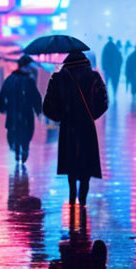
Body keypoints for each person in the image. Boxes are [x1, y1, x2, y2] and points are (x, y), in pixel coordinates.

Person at [43, 50, 109, 206]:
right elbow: (103, 102)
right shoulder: (94, 77)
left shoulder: (58, 78)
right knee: (86, 162)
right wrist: (91, 115)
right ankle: (83, 197)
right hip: (87, 127)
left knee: (71, 160)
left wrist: (61, 117)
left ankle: (72, 194)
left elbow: (47, 107)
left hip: (68, 127)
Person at [0, 55, 43, 164]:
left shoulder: (10, 80)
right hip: (26, 114)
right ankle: (24, 149)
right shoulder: (29, 81)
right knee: (26, 133)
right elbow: (36, 97)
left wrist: (2, 107)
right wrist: (38, 110)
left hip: (12, 113)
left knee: (14, 133)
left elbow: (2, 96)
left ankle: (17, 151)